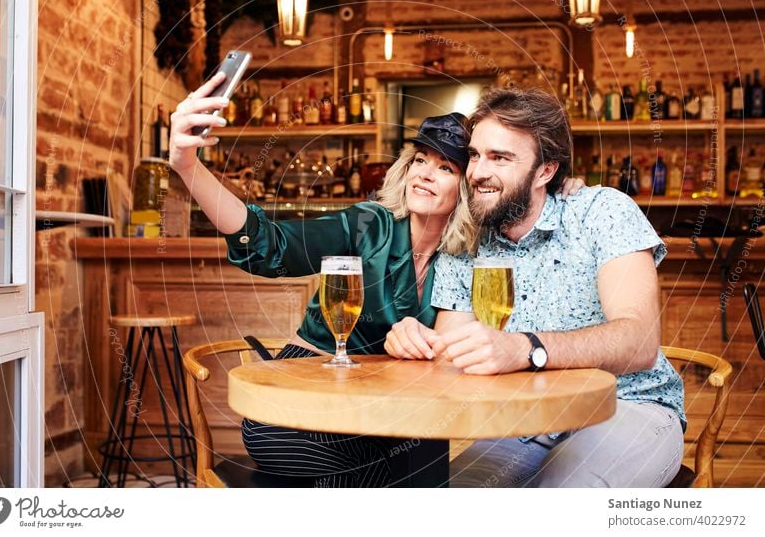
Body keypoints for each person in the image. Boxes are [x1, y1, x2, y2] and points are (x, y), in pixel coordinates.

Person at [169, 74, 584, 487]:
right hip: (316, 386)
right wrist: (188, 167)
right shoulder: (369, 224)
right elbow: (269, 244)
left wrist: (562, 188)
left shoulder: (475, 256)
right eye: (420, 160)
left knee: (421, 445)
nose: (424, 173)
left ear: (470, 186)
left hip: (398, 410)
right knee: (292, 444)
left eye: (445, 167)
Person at [385, 86, 686, 488]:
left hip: (628, 406)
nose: (477, 172)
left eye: (500, 158)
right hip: (526, 423)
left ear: (546, 170)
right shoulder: (468, 240)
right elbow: (452, 354)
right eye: (475, 155)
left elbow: (638, 342)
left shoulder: (602, 212)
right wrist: (417, 342)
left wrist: (527, 349)